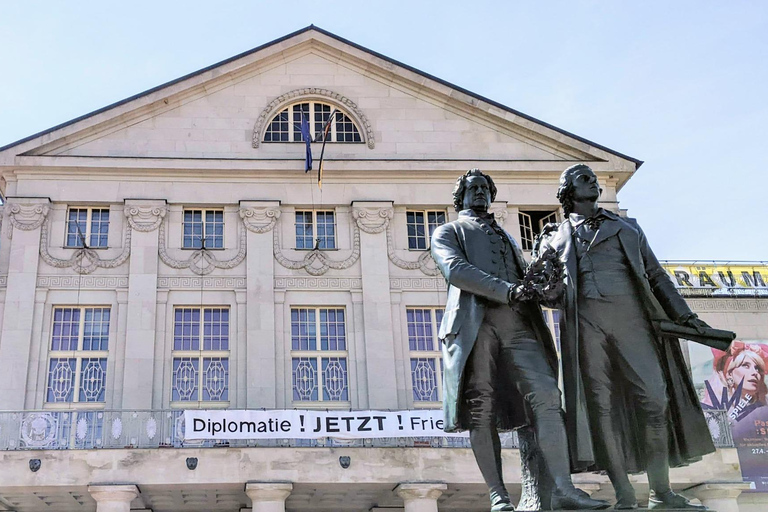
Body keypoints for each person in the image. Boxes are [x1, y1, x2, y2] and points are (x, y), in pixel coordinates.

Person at [536, 164, 716, 510]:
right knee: (601, 411)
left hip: (633, 322)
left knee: (655, 400)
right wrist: (546, 282)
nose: (593, 181)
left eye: (593, 177)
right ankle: (624, 496)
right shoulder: (555, 236)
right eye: (583, 178)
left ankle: (660, 491)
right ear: (568, 190)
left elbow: (657, 276)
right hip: (586, 329)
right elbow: (549, 296)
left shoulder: (628, 228)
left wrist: (685, 315)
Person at [430, 168, 610, 511]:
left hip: (520, 325)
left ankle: (563, 488)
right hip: (474, 325)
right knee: (480, 407)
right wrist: (507, 290)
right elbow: (455, 269)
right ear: (461, 198)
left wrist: (547, 288)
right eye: (473, 188)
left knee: (546, 396)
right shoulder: (448, 231)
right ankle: (498, 495)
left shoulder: (508, 237)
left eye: (486, 188)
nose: (481, 193)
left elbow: (527, 282)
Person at [703, 341, 768, 421]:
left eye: (757, 368)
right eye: (746, 366)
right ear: (729, 374)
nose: (755, 373)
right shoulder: (711, 409)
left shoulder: (765, 406)